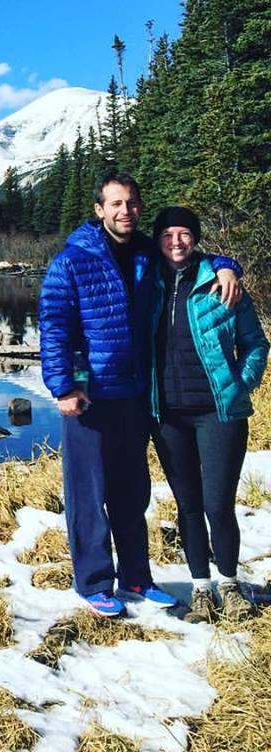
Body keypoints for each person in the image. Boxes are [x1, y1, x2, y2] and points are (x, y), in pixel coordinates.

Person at [39, 172, 242, 617]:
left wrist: (229, 265)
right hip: (89, 397)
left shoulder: (147, 254)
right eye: (115, 204)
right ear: (99, 210)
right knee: (89, 493)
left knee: (133, 492)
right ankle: (93, 583)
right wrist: (64, 386)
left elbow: (191, 255)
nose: (125, 211)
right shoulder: (72, 261)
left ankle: (136, 576)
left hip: (136, 394)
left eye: (131, 203)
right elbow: (54, 327)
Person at [150, 206, 268, 623]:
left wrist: (242, 382)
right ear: (158, 240)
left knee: (219, 504)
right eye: (167, 235)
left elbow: (256, 344)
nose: (176, 242)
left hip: (219, 412)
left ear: (195, 239)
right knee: (188, 505)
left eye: (184, 234)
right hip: (167, 416)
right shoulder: (148, 284)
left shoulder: (222, 286)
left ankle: (230, 586)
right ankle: (201, 589)